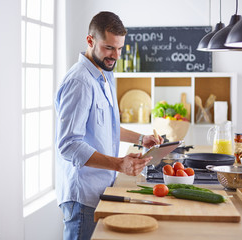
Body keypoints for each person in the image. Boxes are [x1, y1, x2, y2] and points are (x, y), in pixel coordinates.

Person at [55, 11, 163, 240]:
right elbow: (68, 145)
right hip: (82, 196)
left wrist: (140, 139)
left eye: (120, 48)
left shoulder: (105, 74)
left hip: (101, 189)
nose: (115, 55)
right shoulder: (80, 82)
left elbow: (105, 128)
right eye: (109, 48)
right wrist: (118, 164)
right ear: (90, 41)